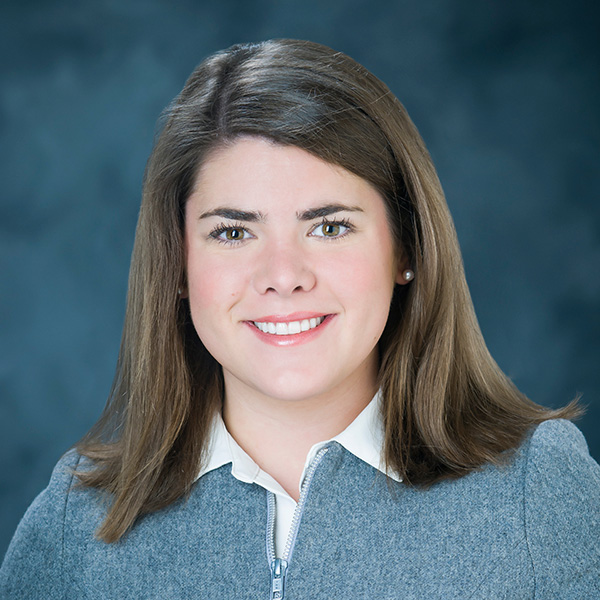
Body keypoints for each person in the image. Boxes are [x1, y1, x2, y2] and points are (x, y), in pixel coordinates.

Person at [1, 39, 599, 599]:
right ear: (177, 266)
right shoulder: (74, 526)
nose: (283, 275)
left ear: (407, 249)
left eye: (330, 227)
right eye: (233, 232)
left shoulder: (536, 492)